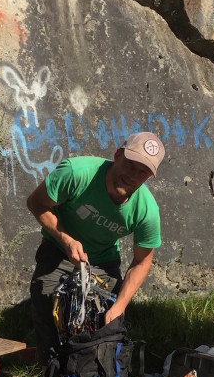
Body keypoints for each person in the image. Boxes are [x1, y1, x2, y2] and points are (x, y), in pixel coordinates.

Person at [26, 131, 165, 362]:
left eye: (143, 172)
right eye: (130, 165)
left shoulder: (147, 210)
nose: (132, 176)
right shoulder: (76, 173)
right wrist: (66, 239)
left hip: (103, 259)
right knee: (47, 314)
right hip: (58, 249)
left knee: (105, 327)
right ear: (118, 155)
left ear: (149, 177)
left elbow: (142, 261)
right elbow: (36, 202)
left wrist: (120, 306)